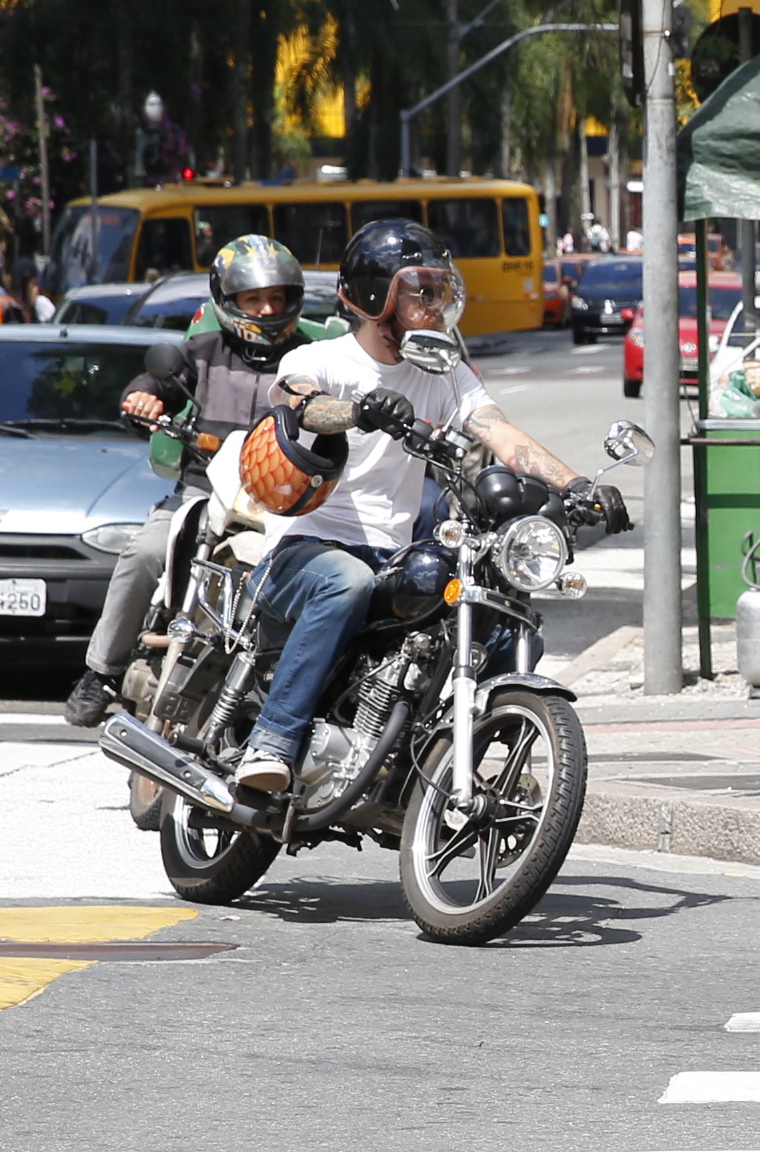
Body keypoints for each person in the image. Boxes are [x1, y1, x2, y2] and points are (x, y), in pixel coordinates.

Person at [235, 220, 576, 801]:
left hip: (390, 556)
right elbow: (302, 404)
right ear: (375, 297)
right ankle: (272, 741)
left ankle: (429, 769)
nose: (436, 304)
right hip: (306, 550)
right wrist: (358, 410)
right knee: (347, 580)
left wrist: (577, 484)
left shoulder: (442, 374)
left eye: (440, 290)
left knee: (503, 627)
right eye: (421, 291)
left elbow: (499, 432)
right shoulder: (323, 357)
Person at [64, 234, 339, 728]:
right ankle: (101, 672)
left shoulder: (313, 358)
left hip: (283, 501)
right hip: (202, 491)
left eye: (277, 297)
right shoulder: (203, 350)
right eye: (254, 299)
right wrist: (143, 399)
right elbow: (156, 385)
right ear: (228, 302)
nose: (268, 308)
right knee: (147, 550)